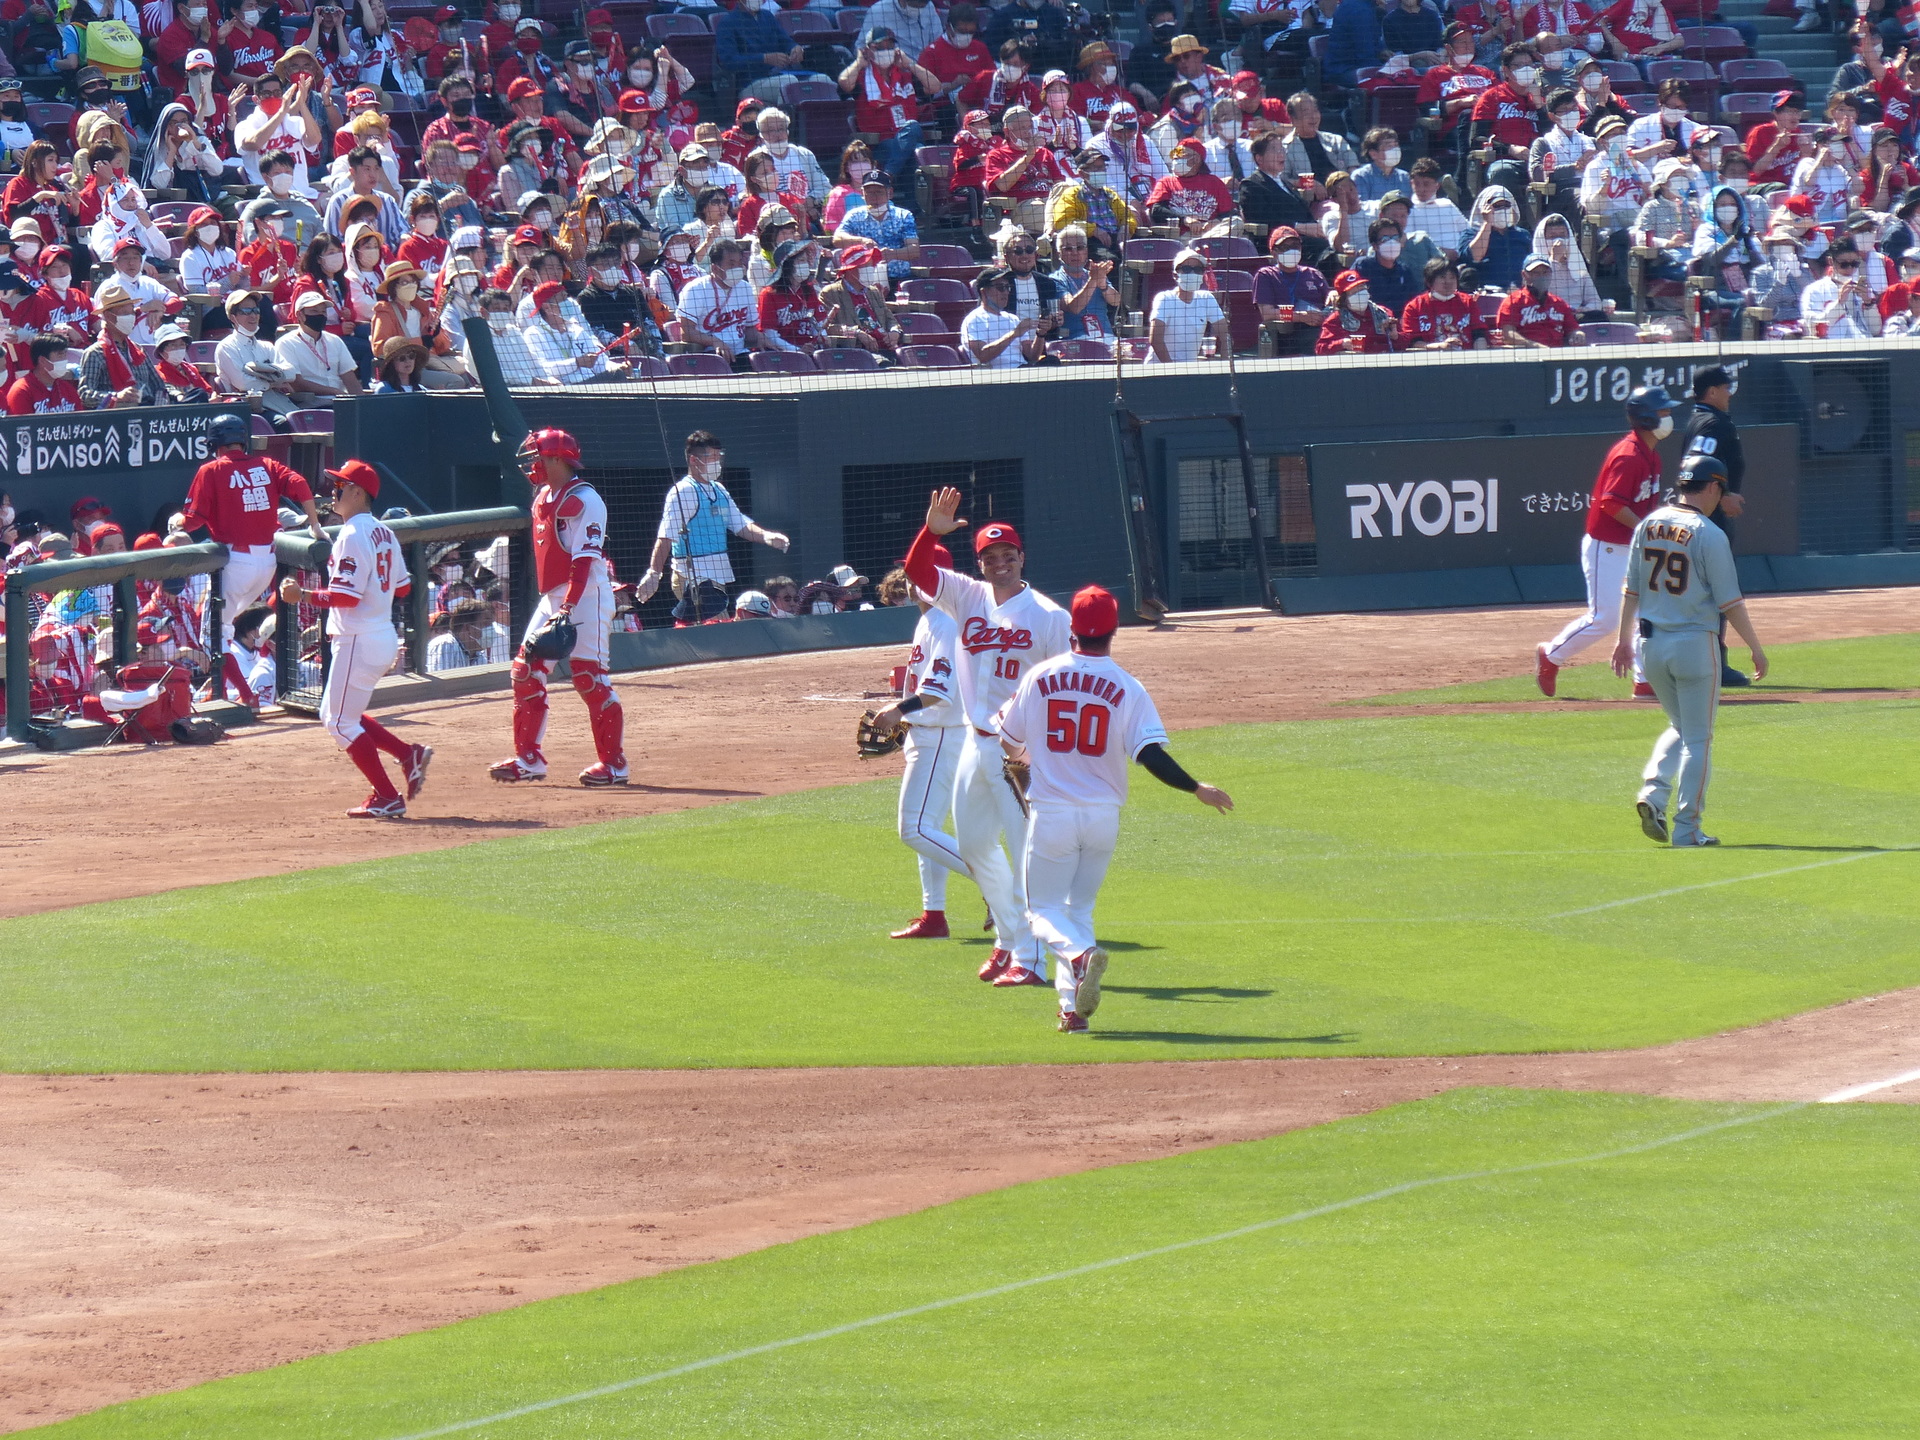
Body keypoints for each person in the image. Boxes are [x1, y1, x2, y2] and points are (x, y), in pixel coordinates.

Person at [995, 584, 1234, 1032]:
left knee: (1042, 911)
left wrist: (1026, 761)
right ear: (1113, 630)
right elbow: (1150, 756)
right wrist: (1195, 787)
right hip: (1104, 818)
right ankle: (1072, 1010)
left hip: (1053, 815)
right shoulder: (1127, 686)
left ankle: (1079, 956)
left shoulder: (1041, 676)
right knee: (1078, 909)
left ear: (1072, 628)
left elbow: (1008, 738)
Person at [903, 486, 1070, 988]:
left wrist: (1043, 753)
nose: (999, 563)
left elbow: (1059, 688)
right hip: (975, 745)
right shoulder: (965, 596)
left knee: (1024, 853)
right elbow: (916, 573)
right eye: (990, 556)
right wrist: (931, 532)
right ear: (979, 563)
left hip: (1019, 748)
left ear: (1022, 558)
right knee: (976, 847)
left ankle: (1033, 959)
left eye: (1007, 555)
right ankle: (1007, 940)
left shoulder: (1049, 616)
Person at [1612, 454, 1768, 849]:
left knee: (1681, 728)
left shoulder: (1648, 523)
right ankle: (1687, 829)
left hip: (1650, 646)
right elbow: (1730, 602)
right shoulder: (1709, 533)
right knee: (1698, 738)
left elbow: (1630, 589)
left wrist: (1621, 641)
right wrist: (1756, 648)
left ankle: (1653, 792)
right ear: (1713, 487)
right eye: (1722, 490)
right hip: (1695, 646)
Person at [277, 459, 427, 819]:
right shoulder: (384, 531)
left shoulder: (352, 533)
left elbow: (346, 597)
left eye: (340, 486)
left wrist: (305, 596)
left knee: (339, 722)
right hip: (380, 634)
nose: (333, 492)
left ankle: (387, 795)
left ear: (358, 493)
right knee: (344, 715)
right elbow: (404, 587)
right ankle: (408, 755)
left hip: (359, 637)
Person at [489, 428, 629, 787]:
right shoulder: (542, 497)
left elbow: (583, 561)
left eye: (537, 456)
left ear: (555, 459)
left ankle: (614, 765)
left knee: (589, 677)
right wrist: (559, 604)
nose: (532, 464)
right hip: (554, 594)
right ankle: (529, 758)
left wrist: (567, 607)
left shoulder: (585, 499)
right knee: (525, 670)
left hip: (587, 594)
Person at [1536, 385, 1673, 700]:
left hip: (1632, 547)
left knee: (1646, 612)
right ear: (1648, 417)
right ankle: (1551, 655)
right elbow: (1610, 504)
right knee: (1606, 618)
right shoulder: (1628, 456)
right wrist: (1644, 529)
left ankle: (1644, 679)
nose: (1669, 417)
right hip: (1607, 547)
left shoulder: (1650, 454)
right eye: (1664, 411)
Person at [863, 556, 970, 940]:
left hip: (940, 735)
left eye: (916, 574)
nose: (909, 581)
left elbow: (938, 692)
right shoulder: (929, 618)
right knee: (929, 830)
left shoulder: (945, 621)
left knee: (914, 829)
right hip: (929, 734)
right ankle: (934, 916)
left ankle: (1003, 887)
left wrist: (898, 710)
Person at [179, 412, 327, 657]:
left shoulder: (212, 469)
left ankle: (238, 693)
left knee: (211, 637)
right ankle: (242, 682)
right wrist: (314, 525)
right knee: (225, 631)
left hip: (236, 563)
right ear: (243, 441)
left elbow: (194, 522)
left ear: (214, 443)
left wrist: (178, 523)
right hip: (266, 564)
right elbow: (300, 483)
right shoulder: (266, 465)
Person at [635, 430, 791, 627]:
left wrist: (767, 537)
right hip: (692, 577)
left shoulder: (719, 490)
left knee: (714, 627)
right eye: (711, 457)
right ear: (694, 460)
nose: (717, 462)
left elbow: (740, 525)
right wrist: (654, 574)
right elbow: (666, 536)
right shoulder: (684, 492)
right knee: (712, 628)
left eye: (719, 457)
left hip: (717, 576)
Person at [1682, 363, 1750, 688]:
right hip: (1710, 518)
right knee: (1715, 589)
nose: (1729, 393)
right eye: (1725, 387)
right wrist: (1722, 496)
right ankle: (1714, 664)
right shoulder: (1711, 422)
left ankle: (1705, 660)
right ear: (1712, 391)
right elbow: (1694, 467)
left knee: (1709, 589)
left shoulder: (1703, 419)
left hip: (1706, 515)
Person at [1149, 249, 1229, 362]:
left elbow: (1226, 336)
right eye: (1186, 269)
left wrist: (1225, 368)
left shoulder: (1207, 298)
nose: (1192, 274)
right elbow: (1155, 339)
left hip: (1189, 370)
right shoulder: (1164, 298)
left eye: (1197, 270)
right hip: (1158, 370)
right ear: (1175, 275)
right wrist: (1172, 371)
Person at [962, 265, 1045, 367]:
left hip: (1022, 371)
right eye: (1000, 288)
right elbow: (983, 356)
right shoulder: (974, 319)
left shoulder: (1013, 318)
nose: (1006, 292)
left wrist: (1040, 333)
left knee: (1052, 361)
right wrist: (1014, 334)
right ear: (983, 292)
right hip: (995, 376)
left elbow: (1032, 356)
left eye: (1007, 287)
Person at [1399, 256, 1486, 348]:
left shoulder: (1468, 302)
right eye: (1442, 277)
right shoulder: (1414, 307)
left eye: (1452, 277)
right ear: (1429, 282)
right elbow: (1413, 343)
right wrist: (1439, 347)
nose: (1448, 282)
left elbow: (1479, 335)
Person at [1496, 253, 1580, 344]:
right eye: (1536, 273)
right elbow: (1508, 335)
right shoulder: (1513, 301)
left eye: (1545, 272)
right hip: (1527, 354)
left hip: (1557, 354)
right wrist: (1534, 346)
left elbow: (1573, 329)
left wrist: (1578, 334)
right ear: (1524, 275)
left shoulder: (1558, 302)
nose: (1542, 276)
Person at [428, 595, 511, 670]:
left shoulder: (479, 657)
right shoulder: (445, 645)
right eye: (486, 624)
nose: (491, 629)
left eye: (491, 624)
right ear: (467, 627)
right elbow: (440, 685)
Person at [7, 333, 80, 413]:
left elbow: (81, 422)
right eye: (59, 355)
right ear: (42, 360)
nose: (64, 360)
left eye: (65, 355)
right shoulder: (22, 390)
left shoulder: (67, 389)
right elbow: (21, 424)